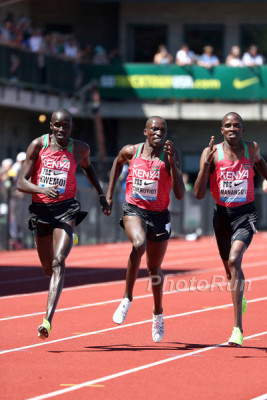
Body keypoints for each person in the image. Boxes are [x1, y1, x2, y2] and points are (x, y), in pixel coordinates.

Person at [17, 108, 110, 339]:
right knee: (48, 268)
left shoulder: (79, 148)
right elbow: (21, 182)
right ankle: (69, 236)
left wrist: (101, 195)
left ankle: (47, 320)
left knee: (59, 262)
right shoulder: (37, 146)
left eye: (66, 126)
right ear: (51, 125)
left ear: (71, 127)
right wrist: (41, 188)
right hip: (41, 211)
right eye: (57, 125)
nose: (61, 129)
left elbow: (89, 168)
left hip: (66, 208)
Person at [106, 116, 185, 342]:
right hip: (134, 209)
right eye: (154, 129)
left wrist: (172, 163)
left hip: (159, 215)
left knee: (154, 269)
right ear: (145, 132)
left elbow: (179, 194)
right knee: (138, 243)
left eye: (163, 129)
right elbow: (116, 163)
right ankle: (126, 298)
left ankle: (158, 313)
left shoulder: (171, 154)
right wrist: (109, 196)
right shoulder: (132, 151)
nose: (159, 133)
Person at [194, 112, 267, 347]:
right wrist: (206, 165)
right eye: (228, 125)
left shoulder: (251, 148)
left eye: (237, 125)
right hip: (221, 217)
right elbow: (198, 193)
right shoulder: (211, 153)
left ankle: (237, 328)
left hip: (245, 214)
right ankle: (240, 295)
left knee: (235, 260)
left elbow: (262, 166)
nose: (232, 128)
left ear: (243, 129)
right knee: (229, 271)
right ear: (222, 129)